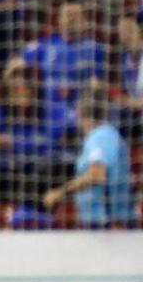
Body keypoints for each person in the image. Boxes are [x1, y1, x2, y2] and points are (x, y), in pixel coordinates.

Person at [0, 64, 77, 209]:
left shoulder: (51, 110)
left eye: (25, 89)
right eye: (15, 91)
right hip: (12, 172)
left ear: (33, 91)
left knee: (54, 168)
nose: (21, 95)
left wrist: (16, 144)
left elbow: (67, 131)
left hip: (43, 172)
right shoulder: (0, 112)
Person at [45, 84, 132, 225]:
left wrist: (60, 193)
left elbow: (96, 174)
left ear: (79, 112)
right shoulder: (100, 136)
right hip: (99, 224)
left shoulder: (101, 136)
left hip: (109, 226)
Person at [12, 0, 106, 108]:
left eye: (75, 15)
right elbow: (13, 66)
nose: (70, 19)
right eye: (67, 15)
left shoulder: (94, 48)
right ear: (59, 20)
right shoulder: (45, 45)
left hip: (80, 113)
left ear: (83, 20)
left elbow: (97, 83)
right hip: (49, 113)